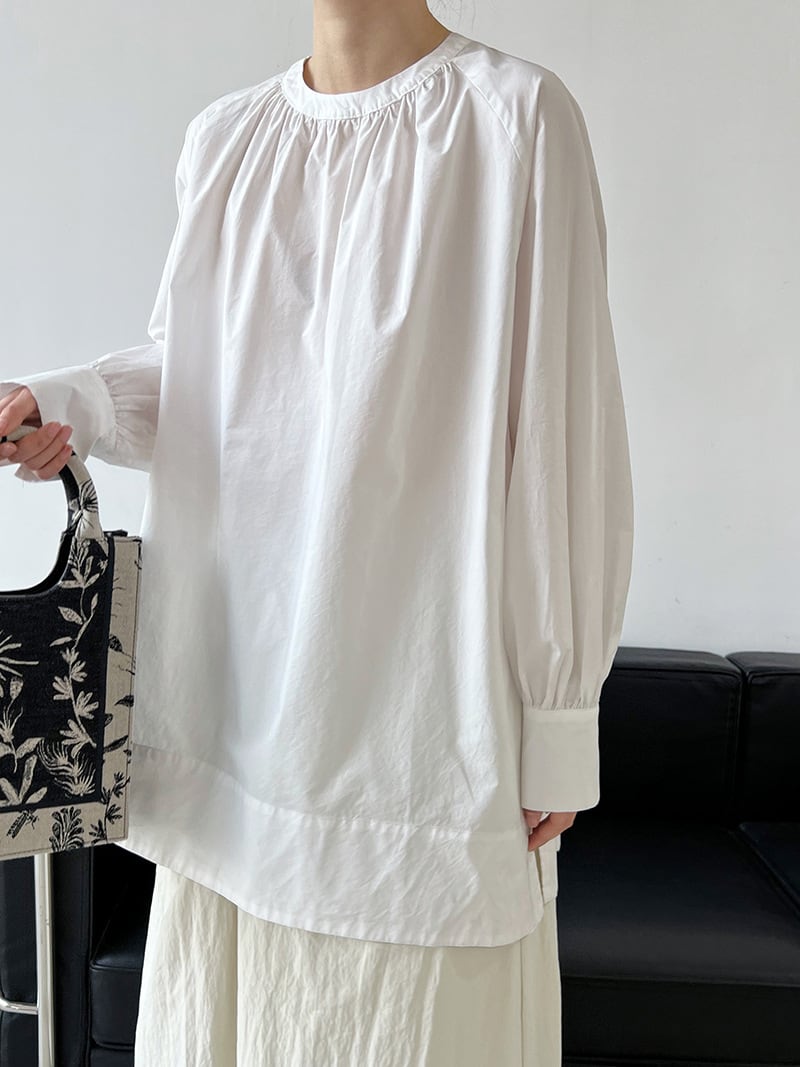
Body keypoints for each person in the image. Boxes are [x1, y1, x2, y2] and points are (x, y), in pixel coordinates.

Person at [0, 4, 634, 1064]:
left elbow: (560, 430)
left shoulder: (514, 119)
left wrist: (558, 718)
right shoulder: (226, 137)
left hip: (418, 738)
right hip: (229, 718)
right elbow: (209, 385)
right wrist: (68, 400)